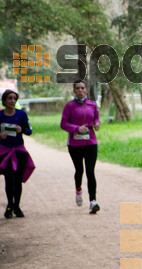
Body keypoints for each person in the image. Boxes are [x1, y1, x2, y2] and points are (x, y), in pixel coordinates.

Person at [0, 89, 35, 218]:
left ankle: (17, 207)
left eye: (14, 98)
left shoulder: (22, 115)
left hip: (19, 151)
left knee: (18, 180)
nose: (12, 101)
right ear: (4, 101)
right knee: (9, 180)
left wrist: (22, 129)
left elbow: (30, 130)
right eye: (10, 98)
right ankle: (9, 206)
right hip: (5, 151)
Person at [60, 80, 101, 214]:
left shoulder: (92, 105)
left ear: (86, 90)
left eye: (82, 88)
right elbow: (63, 124)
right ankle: (78, 190)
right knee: (79, 170)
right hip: (75, 143)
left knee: (90, 170)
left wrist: (96, 124)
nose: (80, 90)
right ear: (74, 91)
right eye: (77, 88)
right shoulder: (69, 106)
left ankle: (93, 201)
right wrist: (77, 128)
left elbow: (96, 118)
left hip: (91, 142)